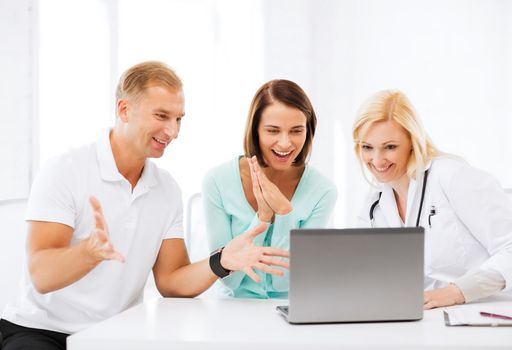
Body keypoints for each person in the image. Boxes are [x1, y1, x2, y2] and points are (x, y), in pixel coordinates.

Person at [0, 61, 289, 349]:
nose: (173, 131)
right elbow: (42, 276)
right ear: (124, 110)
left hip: (114, 333)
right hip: (39, 330)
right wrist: (88, 253)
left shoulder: (166, 189)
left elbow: (171, 282)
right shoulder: (65, 170)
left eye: (179, 119)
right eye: (162, 116)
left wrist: (221, 261)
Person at [352, 89, 512, 309]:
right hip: (424, 317)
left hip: (486, 311)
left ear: (412, 141)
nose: (377, 160)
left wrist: (457, 292)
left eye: (390, 147)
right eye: (367, 147)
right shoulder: (374, 205)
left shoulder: (452, 177)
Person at [202, 79, 337, 299]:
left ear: (308, 130)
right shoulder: (217, 181)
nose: (285, 143)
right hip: (231, 309)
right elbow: (228, 278)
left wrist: (285, 213)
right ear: (255, 130)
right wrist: (264, 218)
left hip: (291, 308)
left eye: (296, 131)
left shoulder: (323, 191)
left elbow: (285, 283)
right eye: (273, 131)